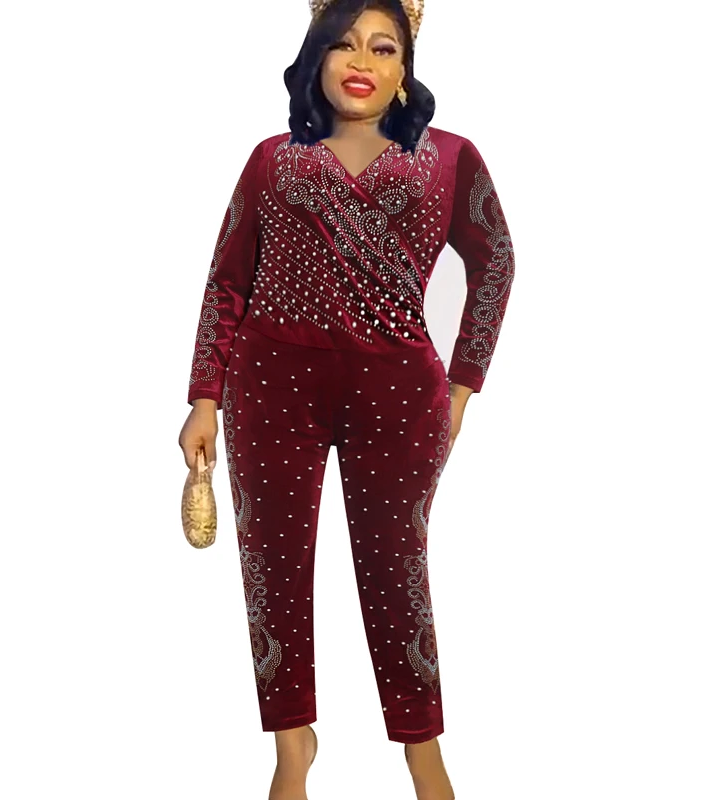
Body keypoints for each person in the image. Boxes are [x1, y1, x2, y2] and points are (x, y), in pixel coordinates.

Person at [178, 0, 515, 797]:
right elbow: (228, 281)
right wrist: (204, 397)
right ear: (317, 57)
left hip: (398, 394)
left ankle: (422, 748)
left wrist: (463, 386)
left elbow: (496, 262)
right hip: (272, 384)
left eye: (383, 47)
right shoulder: (272, 160)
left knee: (397, 572)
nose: (362, 60)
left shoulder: (450, 157)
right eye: (344, 44)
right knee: (272, 569)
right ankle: (292, 744)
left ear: (404, 69)